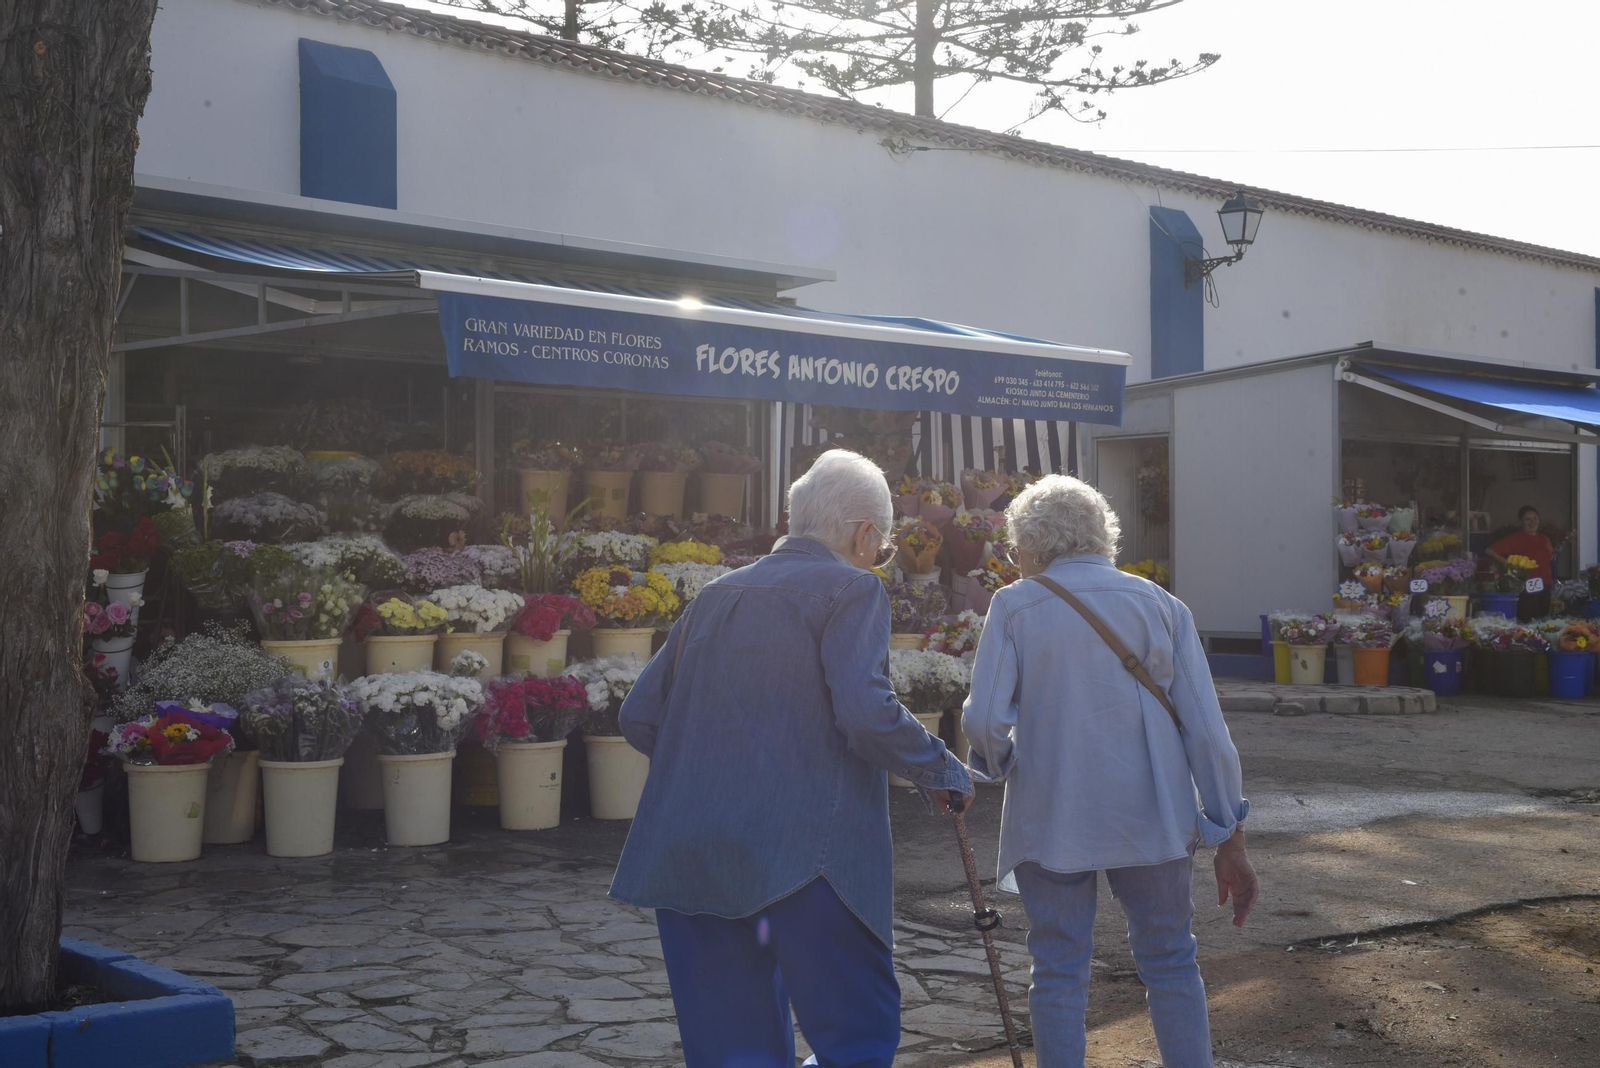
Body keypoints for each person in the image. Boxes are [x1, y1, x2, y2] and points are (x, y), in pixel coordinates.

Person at [610, 448, 974, 1068]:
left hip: (692, 852)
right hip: (810, 857)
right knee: (856, 1037)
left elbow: (638, 716)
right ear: (864, 535)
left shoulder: (715, 594)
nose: (879, 559)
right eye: (884, 548)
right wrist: (939, 766)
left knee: (733, 1052)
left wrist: (720, 767)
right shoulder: (851, 588)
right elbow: (865, 712)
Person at [961, 474, 1257, 1068]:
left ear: (1035, 542)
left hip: (1053, 811)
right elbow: (1207, 733)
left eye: (1019, 545)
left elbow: (986, 720)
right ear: (1100, 536)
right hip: (1154, 813)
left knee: (1058, 969)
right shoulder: (1161, 606)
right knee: (1172, 959)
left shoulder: (1016, 605)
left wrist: (1001, 764)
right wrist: (1229, 834)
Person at [1487, 505, 1555, 620]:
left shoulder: (1545, 539)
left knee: (1543, 620)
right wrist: (1509, 564)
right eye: (1528, 519)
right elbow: (1490, 550)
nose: (1532, 522)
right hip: (1526, 585)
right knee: (1527, 620)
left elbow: (1551, 556)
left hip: (1546, 584)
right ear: (1521, 521)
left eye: (1535, 518)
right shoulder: (1516, 538)